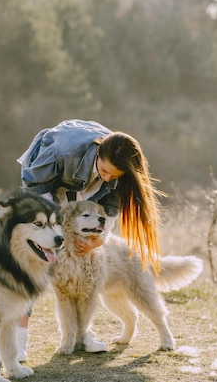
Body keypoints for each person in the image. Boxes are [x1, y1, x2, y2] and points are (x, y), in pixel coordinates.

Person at [15, 119, 164, 360]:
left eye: (112, 176)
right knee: (34, 263)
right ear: (98, 153)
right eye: (104, 171)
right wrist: (54, 232)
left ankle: (83, 334)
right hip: (43, 185)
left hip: (81, 192)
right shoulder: (64, 151)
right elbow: (36, 191)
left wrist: (100, 239)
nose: (107, 179)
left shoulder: (117, 166)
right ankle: (18, 338)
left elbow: (110, 210)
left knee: (83, 264)